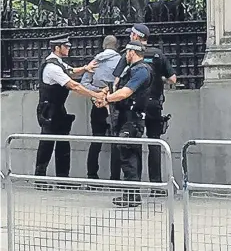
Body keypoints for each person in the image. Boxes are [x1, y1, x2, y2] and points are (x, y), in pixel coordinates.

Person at [113, 24, 177, 196]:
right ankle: (156, 187)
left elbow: (116, 80)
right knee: (154, 142)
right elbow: (173, 79)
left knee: (133, 145)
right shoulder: (158, 54)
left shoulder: (128, 55)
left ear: (135, 36)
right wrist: (159, 79)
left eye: (131, 34)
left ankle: (134, 189)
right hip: (154, 104)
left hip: (135, 106)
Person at [35, 37, 106, 187]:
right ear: (57, 48)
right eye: (65, 46)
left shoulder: (58, 63)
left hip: (58, 108)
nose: (68, 48)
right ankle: (39, 179)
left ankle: (63, 179)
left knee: (62, 143)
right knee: (47, 143)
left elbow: (71, 71)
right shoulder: (52, 67)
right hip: (49, 110)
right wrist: (95, 94)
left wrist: (85, 68)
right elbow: (74, 85)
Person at [97, 40, 153, 207]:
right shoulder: (132, 69)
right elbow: (118, 88)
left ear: (131, 52)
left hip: (132, 119)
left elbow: (126, 92)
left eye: (127, 52)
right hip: (125, 116)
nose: (125, 55)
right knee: (128, 155)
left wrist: (106, 99)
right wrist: (107, 93)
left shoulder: (142, 70)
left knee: (128, 154)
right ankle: (131, 195)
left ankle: (131, 196)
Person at [80, 35, 121, 181]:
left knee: (96, 139)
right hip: (114, 103)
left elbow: (84, 83)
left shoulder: (95, 61)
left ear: (103, 46)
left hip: (97, 103)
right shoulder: (121, 61)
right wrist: (108, 92)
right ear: (116, 46)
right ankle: (114, 177)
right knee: (116, 141)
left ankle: (92, 176)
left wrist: (98, 92)